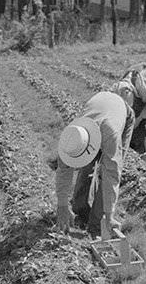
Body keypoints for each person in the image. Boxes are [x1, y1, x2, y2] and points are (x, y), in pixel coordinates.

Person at [55, 90, 134, 240]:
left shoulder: (111, 135)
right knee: (86, 168)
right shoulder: (72, 138)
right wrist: (62, 206)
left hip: (120, 113)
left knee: (106, 171)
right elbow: (63, 172)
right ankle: (81, 210)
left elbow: (112, 175)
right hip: (99, 110)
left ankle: (96, 227)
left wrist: (109, 215)